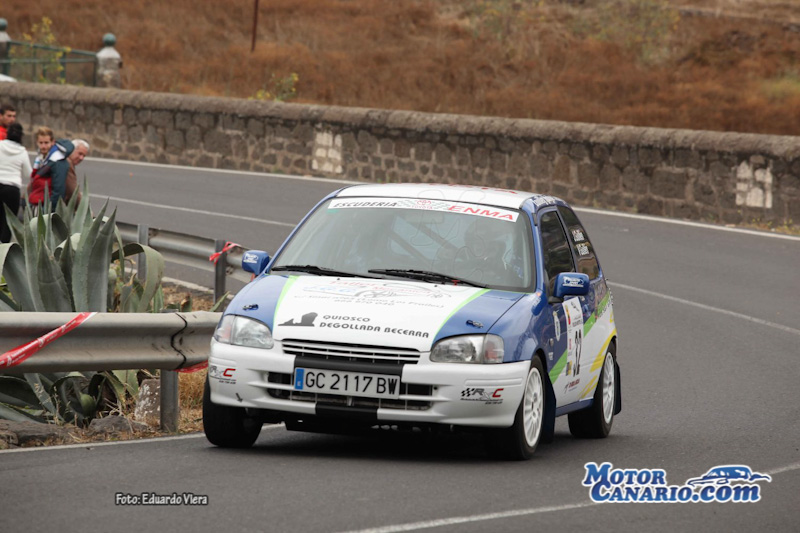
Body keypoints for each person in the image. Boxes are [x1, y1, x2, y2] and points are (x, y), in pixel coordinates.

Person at [0, 123, 32, 242]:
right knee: (8, 223)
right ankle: (3, 248)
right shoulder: (22, 152)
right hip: (12, 189)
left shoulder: (0, 145)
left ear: (7, 134)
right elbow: (28, 173)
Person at [28, 138, 74, 211]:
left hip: (45, 206)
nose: (43, 146)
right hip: (37, 202)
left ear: (52, 142)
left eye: (46, 143)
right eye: (41, 143)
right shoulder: (43, 158)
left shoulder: (57, 161)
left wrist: (50, 208)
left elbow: (59, 188)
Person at [65, 139, 89, 204]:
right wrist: (83, 207)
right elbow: (73, 192)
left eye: (84, 156)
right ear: (71, 150)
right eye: (80, 153)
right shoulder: (67, 164)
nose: (81, 158)